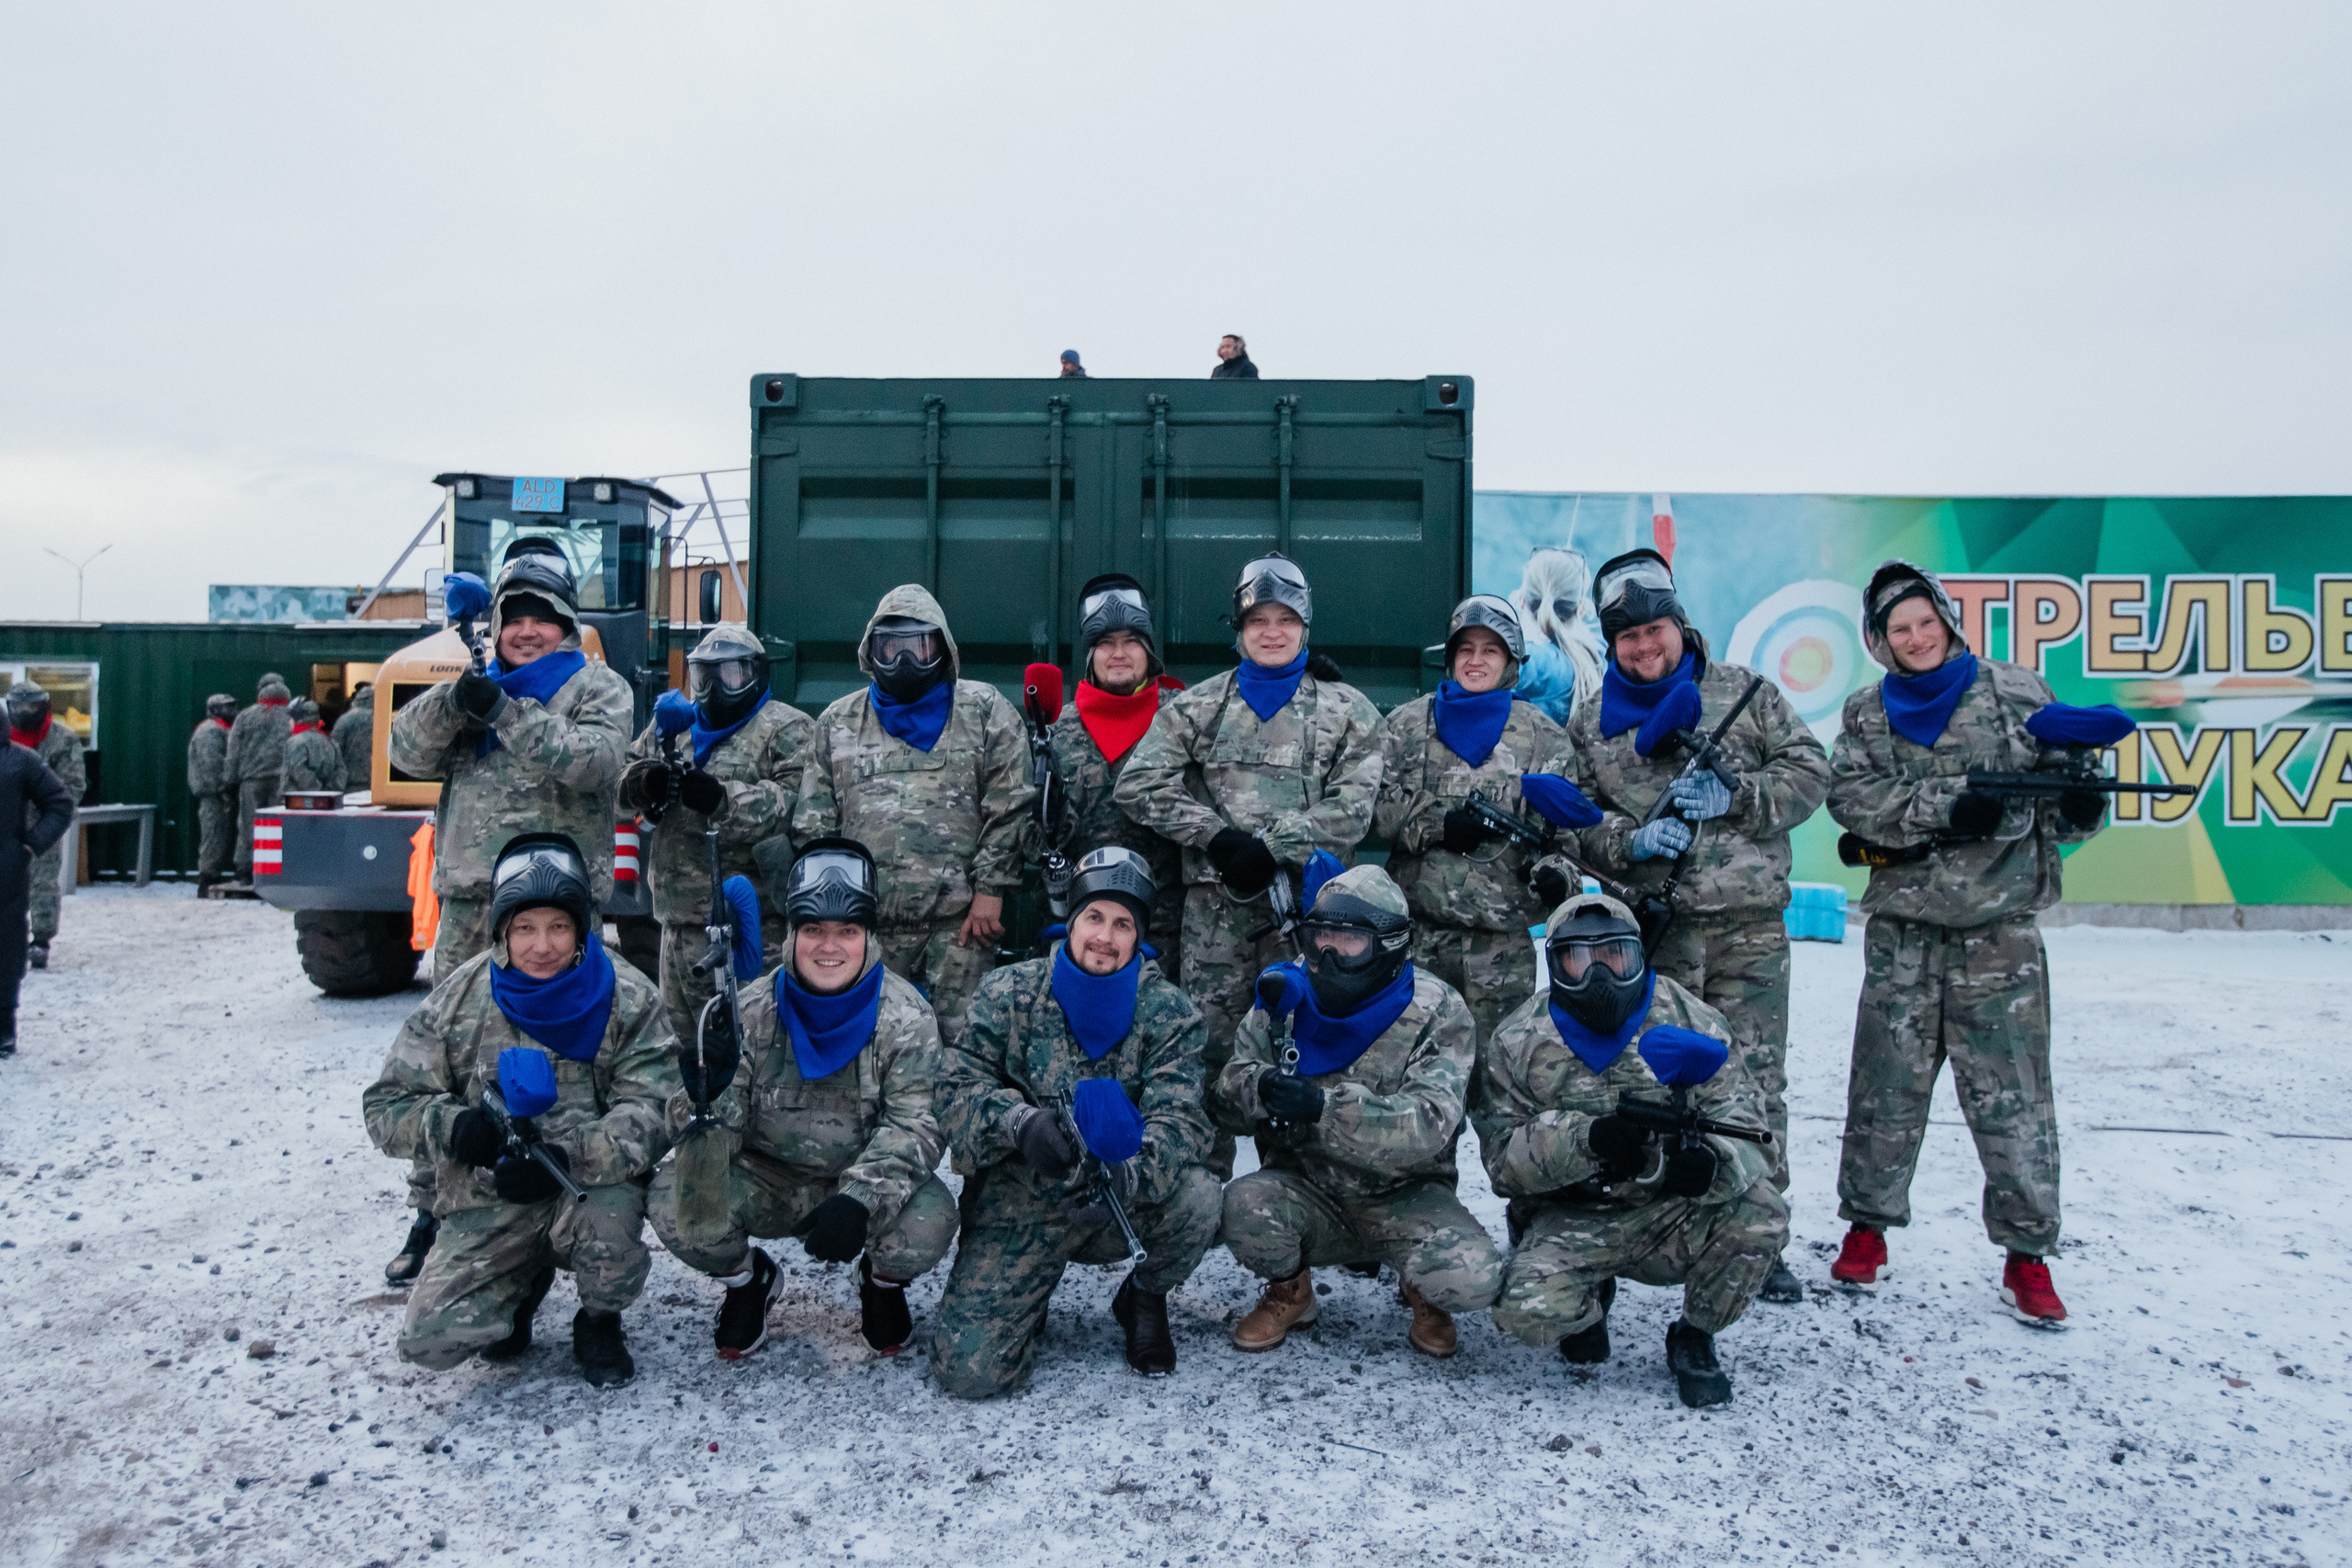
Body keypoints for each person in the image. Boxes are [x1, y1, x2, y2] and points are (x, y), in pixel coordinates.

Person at [1824, 561, 2101, 1326]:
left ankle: (2027, 1255)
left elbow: (2067, 802)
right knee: (1884, 1089)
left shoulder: (2017, 693)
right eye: (1898, 628)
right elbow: (1852, 800)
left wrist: (2084, 799)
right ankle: (1867, 1229)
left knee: (2012, 1099)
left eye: (1926, 621)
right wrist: (1951, 805)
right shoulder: (1867, 713)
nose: (1917, 638)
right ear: (1880, 642)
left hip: (1998, 937)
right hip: (1905, 933)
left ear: (1947, 621)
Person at [1560, 549, 1829, 1304]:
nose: (1645, 650)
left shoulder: (1744, 693)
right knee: (1652, 1079)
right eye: (1628, 640)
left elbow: (1812, 772)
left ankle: (1759, 1230)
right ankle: (1652, 1217)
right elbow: (1579, 821)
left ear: (1679, 624)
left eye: (1655, 632)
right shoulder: (1590, 722)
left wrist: (1738, 793)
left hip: (1749, 930)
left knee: (1755, 1079)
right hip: (1658, 934)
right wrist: (1629, 843)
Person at [382, 550, 633, 1288]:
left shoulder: (597, 686)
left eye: (541, 619)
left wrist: (509, 714)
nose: (526, 631)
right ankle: (435, 1209)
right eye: (513, 619)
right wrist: (456, 701)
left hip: (559, 908)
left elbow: (595, 764)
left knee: (571, 1054)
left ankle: (571, 1200)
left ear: (565, 627)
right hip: (471, 903)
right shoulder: (475, 687)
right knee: (455, 1061)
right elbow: (406, 750)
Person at [361, 833, 681, 1385]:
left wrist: (570, 1155)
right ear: (501, 933)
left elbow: (656, 1107)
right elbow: (386, 1105)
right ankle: (520, 1285)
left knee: (611, 1238)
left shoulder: (626, 995)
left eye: (558, 927)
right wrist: (453, 1126)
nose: (542, 946)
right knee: (430, 1342)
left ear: (581, 931)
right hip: (491, 1195)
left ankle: (599, 1320)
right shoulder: (460, 998)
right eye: (524, 928)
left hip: (587, 1188)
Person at [1114, 551, 1384, 1178]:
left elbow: (1356, 808)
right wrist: (1215, 837)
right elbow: (1139, 783)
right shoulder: (1197, 706)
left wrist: (1277, 842)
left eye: (1285, 619)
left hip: (1312, 915)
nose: (1271, 631)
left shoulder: (1347, 709)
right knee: (1208, 1047)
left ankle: (1298, 1191)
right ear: (1238, 627)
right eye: (1258, 618)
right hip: (1216, 914)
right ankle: (1201, 1190)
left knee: (1305, 1043)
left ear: (1305, 628)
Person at [1473, 892, 1786, 1408]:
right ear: (1556, 965)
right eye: (1579, 960)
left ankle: (1694, 1335)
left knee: (1762, 1213)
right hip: (1573, 1211)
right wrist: (1587, 1140)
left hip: (1669, 1211)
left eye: (1614, 956)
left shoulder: (1691, 1019)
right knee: (1525, 1315)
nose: (1599, 975)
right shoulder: (1519, 1039)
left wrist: (1712, 1164)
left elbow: (1750, 1127)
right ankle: (1589, 1305)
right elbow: (1502, 1163)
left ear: (1639, 956)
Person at [649, 837, 957, 1359]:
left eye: (847, 931)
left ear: (869, 936)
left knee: (931, 1220)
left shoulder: (906, 1017)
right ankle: (749, 1282)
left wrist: (860, 1201)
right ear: (790, 935)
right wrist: (706, 1095)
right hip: (766, 1178)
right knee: (676, 1201)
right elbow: (695, 1143)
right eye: (813, 929)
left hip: (857, 1183)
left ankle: (880, 1284)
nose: (829, 946)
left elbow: (918, 1126)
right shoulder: (748, 1011)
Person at [932, 848, 1220, 1394]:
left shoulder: (1170, 1012)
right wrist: (1018, 1124)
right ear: (1072, 921)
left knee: (1201, 1196)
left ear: (1138, 937)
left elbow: (1181, 1118)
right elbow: (956, 1087)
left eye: (1122, 924)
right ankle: (1022, 1300)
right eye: (1094, 917)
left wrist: (1129, 1176)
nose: (1105, 938)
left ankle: (1144, 1296)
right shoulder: (1010, 992)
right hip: (1021, 1199)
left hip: (1121, 1203)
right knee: (970, 1373)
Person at [1214, 864, 1503, 1358]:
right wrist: (1259, 1089)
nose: (1327, 951)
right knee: (1241, 1208)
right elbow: (1226, 1094)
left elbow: (1429, 1123)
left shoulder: (1437, 1008)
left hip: (1405, 1195)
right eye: (1319, 935)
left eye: (1348, 939)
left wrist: (1323, 1108)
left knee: (1471, 1279)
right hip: (1305, 1190)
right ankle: (1292, 1291)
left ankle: (1422, 1290)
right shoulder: (1284, 993)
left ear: (1389, 943)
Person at [791, 585, 1033, 1047]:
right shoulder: (838, 722)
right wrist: (834, 920)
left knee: (966, 1052)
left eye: (919, 648)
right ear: (871, 652)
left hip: (959, 928)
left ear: (942, 651)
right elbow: (814, 828)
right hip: (867, 930)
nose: (904, 661)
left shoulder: (984, 712)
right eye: (890, 648)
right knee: (871, 1050)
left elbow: (1011, 803)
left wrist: (991, 891)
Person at [1374, 594, 1579, 1042]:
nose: (1475, 660)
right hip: (1416, 940)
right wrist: (1435, 824)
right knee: (1412, 1068)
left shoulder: (1543, 736)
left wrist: (1556, 877)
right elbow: (1371, 810)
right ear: (1449, 659)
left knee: (1498, 1081)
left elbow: (1564, 838)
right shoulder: (1407, 725)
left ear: (1510, 661)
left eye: (1490, 650)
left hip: (1501, 950)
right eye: (1465, 649)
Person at [617, 624, 817, 1044]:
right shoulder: (673, 727)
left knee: (750, 1046)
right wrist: (645, 785)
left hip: (750, 929)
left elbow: (795, 805)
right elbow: (619, 789)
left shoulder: (786, 728)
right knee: (682, 1050)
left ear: (757, 675)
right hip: (675, 924)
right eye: (703, 676)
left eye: (730, 675)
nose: (714, 688)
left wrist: (720, 799)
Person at [1035, 574, 1187, 974]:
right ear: (1090, 655)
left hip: (1168, 927)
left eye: (1131, 642)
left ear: (1149, 651)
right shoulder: (1057, 730)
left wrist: (1306, 673)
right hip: (1085, 929)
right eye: (1106, 643)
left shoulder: (1186, 716)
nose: (1119, 654)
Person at [1, 737, 74, 1056]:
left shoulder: (20, 760)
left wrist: (30, 846)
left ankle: (3, 1028)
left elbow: (59, 803)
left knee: (6, 949)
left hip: (5, 874)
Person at [8, 682, 85, 970]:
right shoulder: (5, 740)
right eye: (17, 706)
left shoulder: (62, 739)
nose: (24, 712)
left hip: (42, 824)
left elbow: (73, 786)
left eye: (31, 706)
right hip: (5, 824)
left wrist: (53, 821)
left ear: (44, 706)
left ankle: (40, 940)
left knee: (42, 883)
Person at [225, 671, 292, 883]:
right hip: (281, 781)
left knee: (248, 826)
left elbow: (233, 751)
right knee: (277, 826)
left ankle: (246, 871)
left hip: (251, 781)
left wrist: (230, 779)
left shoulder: (245, 715)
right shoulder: (292, 716)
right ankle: (274, 874)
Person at [187, 694, 239, 890]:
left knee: (219, 835)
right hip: (213, 794)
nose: (232, 711)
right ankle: (208, 879)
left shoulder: (223, 730)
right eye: (227, 707)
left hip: (220, 793)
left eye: (233, 707)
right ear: (215, 709)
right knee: (213, 836)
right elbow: (212, 766)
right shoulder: (209, 732)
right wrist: (223, 790)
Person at [279, 698, 347, 794]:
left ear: (296, 720)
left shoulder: (294, 742)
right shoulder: (331, 742)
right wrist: (328, 792)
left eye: (290, 718)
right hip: (327, 801)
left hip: (297, 801)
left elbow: (298, 771)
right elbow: (341, 771)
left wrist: (317, 791)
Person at [333, 682, 375, 789]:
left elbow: (335, 749)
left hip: (349, 780)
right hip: (377, 779)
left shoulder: (345, 719)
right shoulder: (384, 719)